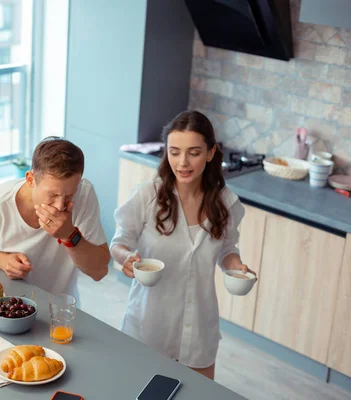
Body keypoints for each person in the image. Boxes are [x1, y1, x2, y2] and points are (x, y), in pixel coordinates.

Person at [110, 111, 256, 380]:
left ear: (211, 152)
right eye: (174, 152)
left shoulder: (226, 202)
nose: (183, 162)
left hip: (199, 324)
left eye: (194, 152)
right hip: (149, 321)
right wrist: (127, 257)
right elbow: (119, 242)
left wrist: (236, 266)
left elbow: (227, 249)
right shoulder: (147, 195)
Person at [0, 137, 110, 299]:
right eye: (53, 194)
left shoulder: (84, 193)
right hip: (7, 305)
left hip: (58, 306)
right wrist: (1, 259)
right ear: (30, 179)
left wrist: (70, 236)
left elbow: (99, 271)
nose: (60, 206)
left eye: (69, 195)